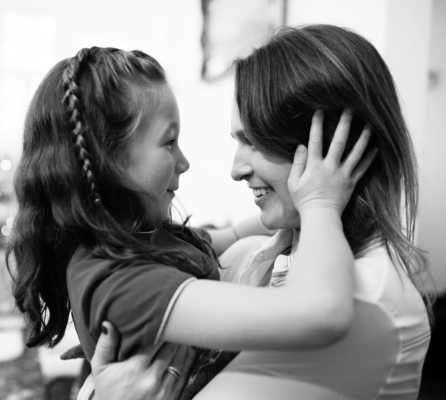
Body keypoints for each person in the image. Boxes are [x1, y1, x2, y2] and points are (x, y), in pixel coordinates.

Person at [85, 24, 434, 400]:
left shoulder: (365, 302)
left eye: (253, 140)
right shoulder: (257, 254)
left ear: (334, 145)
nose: (236, 169)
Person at [6, 45, 374, 399]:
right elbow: (322, 314)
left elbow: (231, 234)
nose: (183, 162)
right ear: (108, 162)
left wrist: (284, 210)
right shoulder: (125, 284)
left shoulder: (141, 241)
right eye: (169, 143)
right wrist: (320, 205)